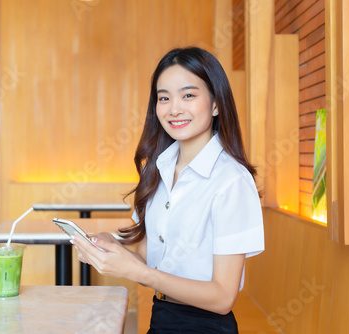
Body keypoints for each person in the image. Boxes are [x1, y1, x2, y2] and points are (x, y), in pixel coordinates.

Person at [71, 47, 264, 333]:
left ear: (215, 104)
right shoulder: (157, 171)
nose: (174, 108)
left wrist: (141, 272)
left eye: (188, 95)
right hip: (161, 314)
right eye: (164, 98)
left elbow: (223, 297)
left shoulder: (231, 181)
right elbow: (150, 264)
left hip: (206, 326)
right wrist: (112, 251)